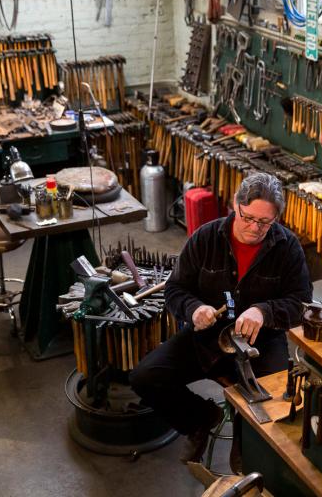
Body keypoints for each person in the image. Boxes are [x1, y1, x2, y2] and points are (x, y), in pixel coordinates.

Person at [130, 172, 312, 465]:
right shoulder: (205, 237)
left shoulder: (287, 248)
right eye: (248, 217)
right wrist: (193, 309)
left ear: (276, 218)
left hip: (260, 344)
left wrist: (263, 311)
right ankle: (201, 419)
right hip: (207, 339)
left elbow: (300, 303)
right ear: (235, 205)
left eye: (265, 222)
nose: (254, 227)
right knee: (146, 377)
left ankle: (246, 448)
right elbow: (176, 288)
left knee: (265, 420)